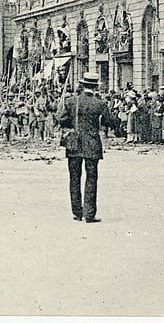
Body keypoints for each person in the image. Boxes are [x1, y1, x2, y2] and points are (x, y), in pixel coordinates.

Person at [59, 72, 112, 223]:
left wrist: (74, 126)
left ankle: (77, 212)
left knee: (74, 178)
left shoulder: (71, 101)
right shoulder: (100, 103)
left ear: (82, 85)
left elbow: (61, 120)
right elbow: (108, 122)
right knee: (92, 178)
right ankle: (89, 213)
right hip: (92, 144)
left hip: (74, 144)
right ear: (95, 87)